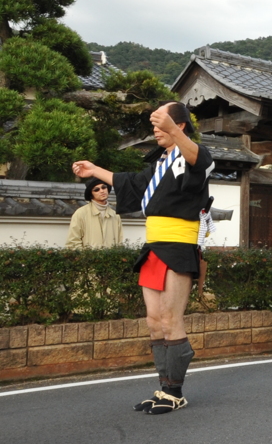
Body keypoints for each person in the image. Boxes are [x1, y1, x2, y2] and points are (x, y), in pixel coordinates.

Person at [72, 102, 211, 415]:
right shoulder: (161, 163)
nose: (156, 131)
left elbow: (199, 160)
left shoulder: (192, 155)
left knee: (171, 318)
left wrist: (173, 128)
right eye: (155, 126)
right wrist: (95, 171)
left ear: (180, 126)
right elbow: (132, 183)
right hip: (154, 246)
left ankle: (175, 391)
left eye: (162, 125)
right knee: (153, 321)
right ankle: (163, 387)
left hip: (178, 244)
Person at [66, 178, 123, 249]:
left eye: (104, 187)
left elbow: (119, 243)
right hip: (88, 259)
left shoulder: (115, 215)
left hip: (111, 259)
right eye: (96, 190)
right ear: (91, 194)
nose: (102, 191)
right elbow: (73, 242)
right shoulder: (81, 213)